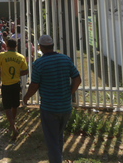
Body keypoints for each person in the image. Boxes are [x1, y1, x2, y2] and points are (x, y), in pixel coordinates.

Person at [23, 35, 81, 163]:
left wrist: (26, 98)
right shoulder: (65, 59)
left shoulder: (38, 64)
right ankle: (58, 157)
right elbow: (77, 79)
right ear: (53, 45)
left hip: (49, 108)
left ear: (41, 47)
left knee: (52, 141)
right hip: (65, 107)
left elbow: (34, 86)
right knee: (58, 137)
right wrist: (69, 93)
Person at [0, 38, 28, 141]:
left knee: (7, 106)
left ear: (7, 46)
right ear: (16, 46)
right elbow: (26, 71)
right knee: (15, 105)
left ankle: (13, 127)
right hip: (16, 84)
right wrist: (18, 74)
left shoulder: (2, 55)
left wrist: (1, 74)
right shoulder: (20, 57)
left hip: (6, 84)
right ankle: (12, 122)